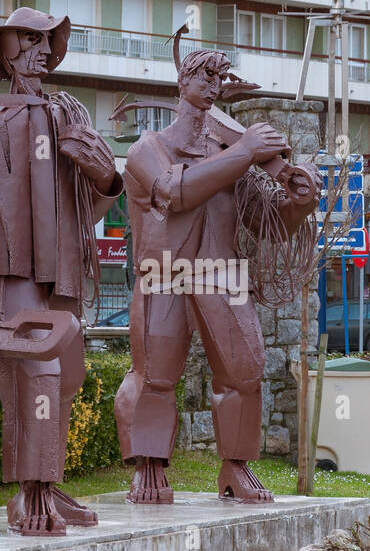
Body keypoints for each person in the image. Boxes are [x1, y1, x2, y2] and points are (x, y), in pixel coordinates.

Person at [0, 7, 122, 536]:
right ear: (5, 50)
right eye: (30, 38)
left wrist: (105, 174)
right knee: (32, 376)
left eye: (49, 40)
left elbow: (90, 205)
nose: (42, 48)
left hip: (62, 270)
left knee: (65, 378)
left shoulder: (71, 120)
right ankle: (30, 494)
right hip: (12, 271)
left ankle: (46, 484)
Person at [114, 48, 318, 504]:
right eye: (204, 74)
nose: (213, 83)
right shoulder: (149, 148)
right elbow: (175, 191)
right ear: (181, 80)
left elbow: (261, 222)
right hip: (163, 273)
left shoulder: (231, 155)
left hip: (221, 273)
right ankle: (148, 467)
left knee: (244, 371)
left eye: (219, 76)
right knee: (155, 375)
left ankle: (236, 468)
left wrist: (299, 201)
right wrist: (245, 151)